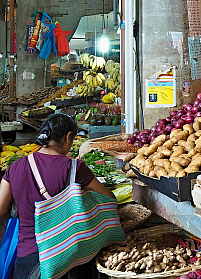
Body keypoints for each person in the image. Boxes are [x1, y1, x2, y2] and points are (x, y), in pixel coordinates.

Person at [0, 114, 115, 278]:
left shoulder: (15, 167)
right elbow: (109, 198)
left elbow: (1, 210)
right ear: (68, 137)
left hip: (28, 256)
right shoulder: (74, 167)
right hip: (66, 257)